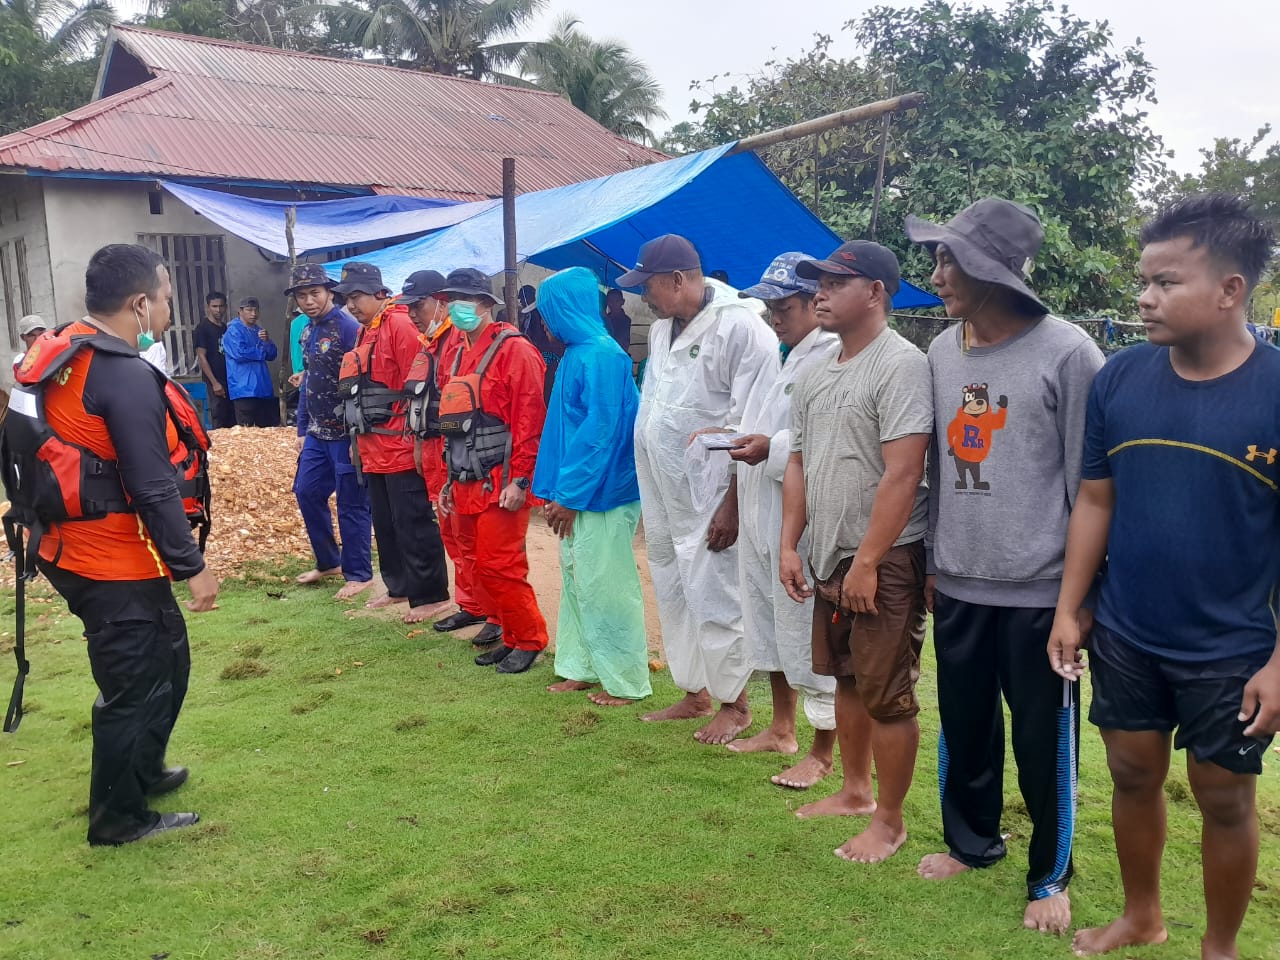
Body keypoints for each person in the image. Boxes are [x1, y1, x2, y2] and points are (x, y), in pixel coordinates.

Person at [1049, 194, 1280, 959]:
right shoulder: (1120, 379)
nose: (1144, 297)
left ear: (1229, 290)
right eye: (1144, 280)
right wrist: (1070, 607)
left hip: (1233, 647)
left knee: (1224, 796)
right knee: (1130, 773)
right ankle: (1141, 917)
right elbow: (1096, 499)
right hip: (1126, 630)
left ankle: (1221, 947)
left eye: (1166, 282)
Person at [905, 198, 1104, 933]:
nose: (936, 275)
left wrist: (1077, 602)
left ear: (991, 270)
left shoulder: (1070, 353)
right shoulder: (942, 351)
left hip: (1043, 591)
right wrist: (934, 558)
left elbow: (1094, 488)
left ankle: (1050, 875)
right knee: (964, 724)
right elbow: (936, 467)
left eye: (948, 260)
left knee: (1044, 739)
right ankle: (971, 842)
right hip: (960, 579)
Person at [14, 243, 218, 844]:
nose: (169, 310)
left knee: (169, 657)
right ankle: (118, 818)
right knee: (133, 681)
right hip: (107, 556)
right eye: (166, 298)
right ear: (139, 304)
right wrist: (192, 566)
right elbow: (151, 484)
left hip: (70, 545)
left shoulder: (66, 348)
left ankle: (144, 770)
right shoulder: (121, 373)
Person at [777, 240, 931, 864]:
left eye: (836, 282)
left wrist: (868, 561)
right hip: (828, 553)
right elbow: (797, 462)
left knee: (887, 691)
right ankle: (855, 791)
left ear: (875, 292)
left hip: (884, 558)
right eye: (818, 282)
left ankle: (889, 822)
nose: (820, 292)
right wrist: (789, 544)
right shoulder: (815, 372)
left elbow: (904, 471)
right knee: (844, 674)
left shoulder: (901, 365)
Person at [626, 234, 778, 743]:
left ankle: (736, 704)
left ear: (677, 280)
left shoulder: (742, 328)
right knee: (672, 582)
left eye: (648, 285)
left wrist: (731, 504)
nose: (643, 296)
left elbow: (753, 421)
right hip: (664, 485)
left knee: (716, 589)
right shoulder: (663, 328)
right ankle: (695, 692)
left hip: (712, 494)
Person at [713, 253, 838, 788]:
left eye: (784, 307)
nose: (775, 317)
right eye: (770, 307)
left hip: (801, 516)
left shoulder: (832, 356)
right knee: (767, 619)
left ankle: (823, 750)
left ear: (815, 302)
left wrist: (773, 446)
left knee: (807, 628)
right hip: (760, 505)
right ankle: (781, 728)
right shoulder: (781, 356)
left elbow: (828, 440)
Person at [533, 266, 650, 705]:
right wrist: (556, 491)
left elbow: (599, 434)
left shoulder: (603, 356)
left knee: (607, 585)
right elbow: (564, 432)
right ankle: (580, 666)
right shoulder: (577, 354)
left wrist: (569, 496)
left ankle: (625, 680)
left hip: (602, 494)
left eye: (548, 315)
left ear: (567, 311)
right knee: (577, 577)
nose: (544, 326)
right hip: (579, 492)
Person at [437, 267, 549, 675]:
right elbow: (454, 424)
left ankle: (530, 638)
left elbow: (529, 422)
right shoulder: (456, 353)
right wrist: (448, 480)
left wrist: (521, 480)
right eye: (450, 300)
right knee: (477, 564)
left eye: (463, 300)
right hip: (465, 477)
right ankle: (510, 634)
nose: (455, 308)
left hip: (501, 481)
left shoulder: (516, 351)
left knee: (501, 564)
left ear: (486, 304)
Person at [332, 262, 451, 625]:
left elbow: (418, 387)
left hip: (400, 445)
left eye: (357, 297)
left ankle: (430, 594)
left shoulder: (399, 325)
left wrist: (417, 441)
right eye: (347, 299)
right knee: (384, 523)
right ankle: (398, 586)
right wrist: (357, 441)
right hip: (372, 448)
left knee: (412, 521)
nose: (351, 305)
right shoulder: (364, 332)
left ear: (380, 294)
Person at [399, 269, 501, 647]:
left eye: (420, 305)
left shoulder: (460, 341)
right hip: (437, 448)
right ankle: (471, 603)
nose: (413, 313)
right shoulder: (434, 344)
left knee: (473, 536)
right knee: (453, 532)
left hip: (460, 450)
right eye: (409, 307)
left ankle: (493, 610)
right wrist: (419, 442)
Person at [287, 263, 372, 600]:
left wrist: (359, 435)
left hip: (346, 434)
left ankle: (359, 574)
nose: (309, 301)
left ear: (329, 292)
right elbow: (309, 381)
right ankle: (328, 562)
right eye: (302, 295)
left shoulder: (348, 328)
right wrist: (301, 428)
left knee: (352, 503)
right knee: (306, 491)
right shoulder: (308, 331)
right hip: (317, 434)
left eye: (315, 293)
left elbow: (365, 380)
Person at [223, 297, 280, 427]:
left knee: (265, 429)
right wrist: (261, 352)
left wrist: (267, 342)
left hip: (263, 388)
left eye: (256, 310)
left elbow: (272, 355)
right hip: (244, 388)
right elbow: (239, 353)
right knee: (246, 430)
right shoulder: (233, 330)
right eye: (249, 310)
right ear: (240, 311)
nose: (253, 314)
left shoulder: (258, 330)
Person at [193, 291, 235, 428]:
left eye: (221, 306)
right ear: (208, 307)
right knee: (219, 417)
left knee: (232, 419)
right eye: (214, 306)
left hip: (229, 379)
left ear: (226, 307)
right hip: (215, 380)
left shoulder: (225, 328)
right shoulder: (202, 328)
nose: (218, 310)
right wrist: (214, 383)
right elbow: (201, 357)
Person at [604, 288, 632, 354]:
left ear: (622, 302)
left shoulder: (625, 320)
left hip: (618, 352)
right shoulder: (606, 317)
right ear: (607, 302)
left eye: (616, 301)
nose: (613, 304)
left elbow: (621, 341)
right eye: (610, 301)